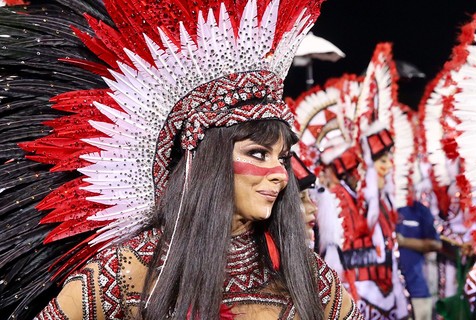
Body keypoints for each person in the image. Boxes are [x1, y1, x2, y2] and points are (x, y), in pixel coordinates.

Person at [0, 0, 363, 319]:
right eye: (258, 153)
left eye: (282, 158)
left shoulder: (302, 270)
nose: (280, 175)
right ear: (208, 162)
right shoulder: (128, 270)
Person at [396, 201, 442, 320]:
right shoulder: (377, 207)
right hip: (387, 294)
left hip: (417, 290)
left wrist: (404, 242)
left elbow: (436, 244)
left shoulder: (418, 209)